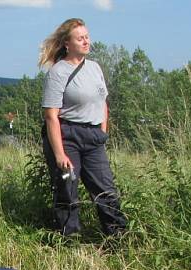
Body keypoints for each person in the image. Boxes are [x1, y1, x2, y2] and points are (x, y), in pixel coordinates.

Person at [40, 18, 127, 238]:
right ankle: (69, 239)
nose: (86, 41)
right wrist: (59, 153)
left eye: (87, 37)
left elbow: (103, 102)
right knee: (68, 189)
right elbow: (51, 116)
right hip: (68, 135)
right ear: (67, 44)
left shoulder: (95, 68)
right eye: (80, 38)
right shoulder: (58, 72)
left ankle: (118, 237)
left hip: (93, 136)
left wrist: (102, 132)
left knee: (105, 189)